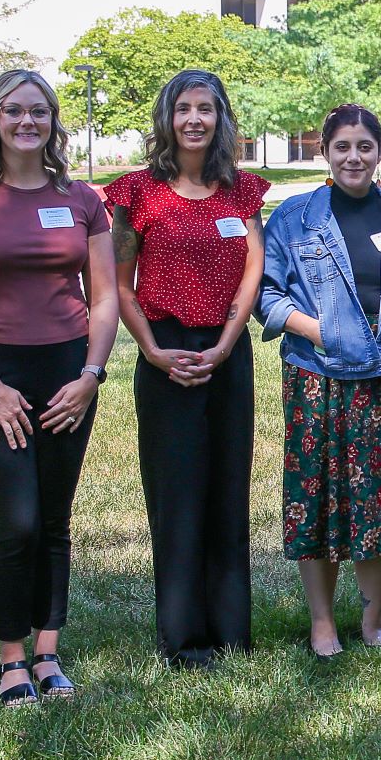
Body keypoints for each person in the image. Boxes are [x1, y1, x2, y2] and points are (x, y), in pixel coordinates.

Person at [0, 70, 117, 705]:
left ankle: (47, 651)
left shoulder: (84, 199)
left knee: (56, 518)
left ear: (53, 120)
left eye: (38, 111)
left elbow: (106, 297)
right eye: (14, 111)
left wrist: (90, 377)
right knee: (17, 521)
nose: (27, 122)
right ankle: (11, 658)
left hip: (68, 373)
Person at [258, 103, 381, 659]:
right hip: (320, 378)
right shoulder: (294, 217)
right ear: (325, 152)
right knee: (318, 500)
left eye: (365, 146)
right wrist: (322, 333)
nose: (354, 157)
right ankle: (322, 625)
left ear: (380, 152)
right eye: (342, 147)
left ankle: (371, 622)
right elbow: (268, 295)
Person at [105, 71, 267, 669]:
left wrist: (226, 344)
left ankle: (231, 632)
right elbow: (121, 286)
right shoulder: (136, 193)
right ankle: (183, 636)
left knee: (228, 489)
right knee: (177, 495)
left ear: (221, 118)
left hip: (227, 351)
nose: (194, 119)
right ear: (167, 117)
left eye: (206, 109)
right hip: (164, 350)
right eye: (183, 109)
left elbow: (254, 271)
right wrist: (151, 350)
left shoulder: (241, 192)